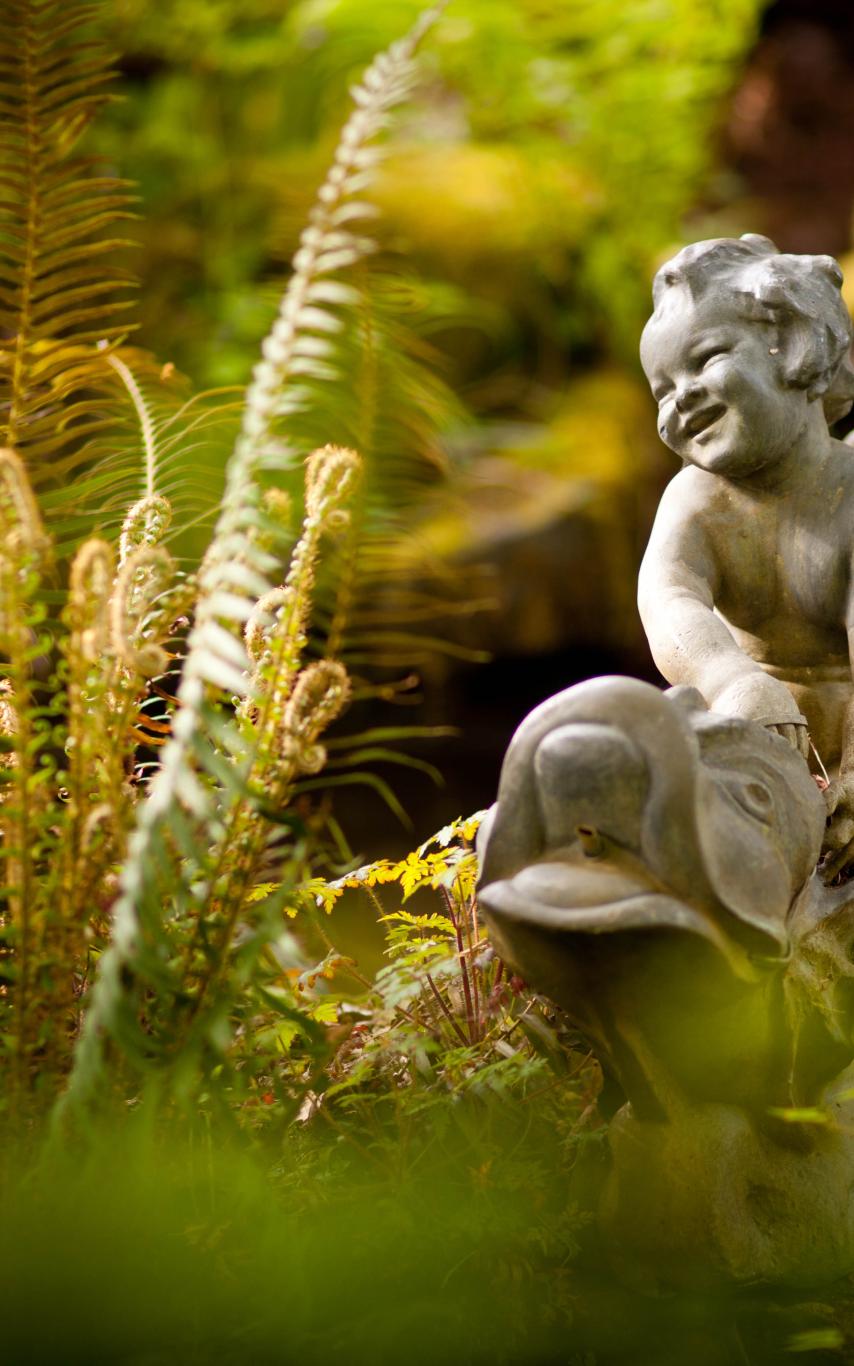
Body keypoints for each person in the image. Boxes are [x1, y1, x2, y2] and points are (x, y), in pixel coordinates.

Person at [638, 233, 854, 879]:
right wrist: (732, 678)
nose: (682, 398)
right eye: (662, 389)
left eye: (706, 359)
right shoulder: (695, 501)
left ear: (793, 344)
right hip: (748, 724)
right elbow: (668, 595)